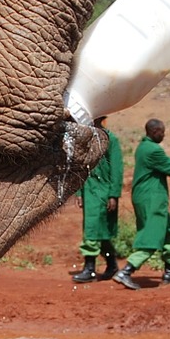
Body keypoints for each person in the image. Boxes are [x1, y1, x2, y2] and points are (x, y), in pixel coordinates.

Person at [113, 118, 170, 289]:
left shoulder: (145, 147)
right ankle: (126, 271)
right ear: (155, 131)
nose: (163, 135)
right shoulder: (152, 150)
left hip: (148, 197)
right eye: (162, 132)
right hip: (152, 199)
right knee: (152, 236)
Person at [71, 115, 123, 282]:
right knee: (96, 230)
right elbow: (79, 167)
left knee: (95, 230)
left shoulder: (110, 139)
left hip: (104, 190)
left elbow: (117, 168)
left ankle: (90, 268)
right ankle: (111, 263)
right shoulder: (85, 139)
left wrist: (114, 194)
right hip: (89, 190)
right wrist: (79, 192)